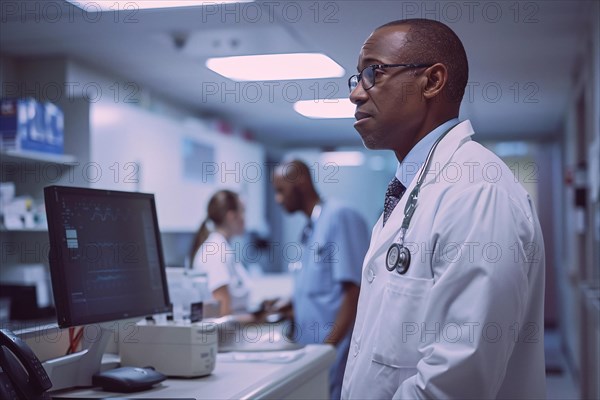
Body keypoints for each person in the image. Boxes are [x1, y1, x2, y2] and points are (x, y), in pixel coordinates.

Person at [341, 18, 546, 399]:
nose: (356, 94)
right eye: (356, 79)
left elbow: (458, 380)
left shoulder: (478, 190)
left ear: (432, 81)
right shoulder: (414, 189)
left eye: (373, 72)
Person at [272, 159, 369, 400]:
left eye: (281, 191)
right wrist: (294, 305)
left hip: (333, 354)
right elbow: (323, 291)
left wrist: (327, 351)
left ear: (301, 182)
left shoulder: (339, 216)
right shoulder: (311, 227)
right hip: (312, 355)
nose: (278, 199)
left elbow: (354, 291)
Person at [189, 189, 251, 317]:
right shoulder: (215, 252)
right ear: (231, 216)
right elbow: (223, 312)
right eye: (243, 211)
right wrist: (259, 318)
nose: (246, 218)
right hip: (228, 336)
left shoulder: (222, 248)